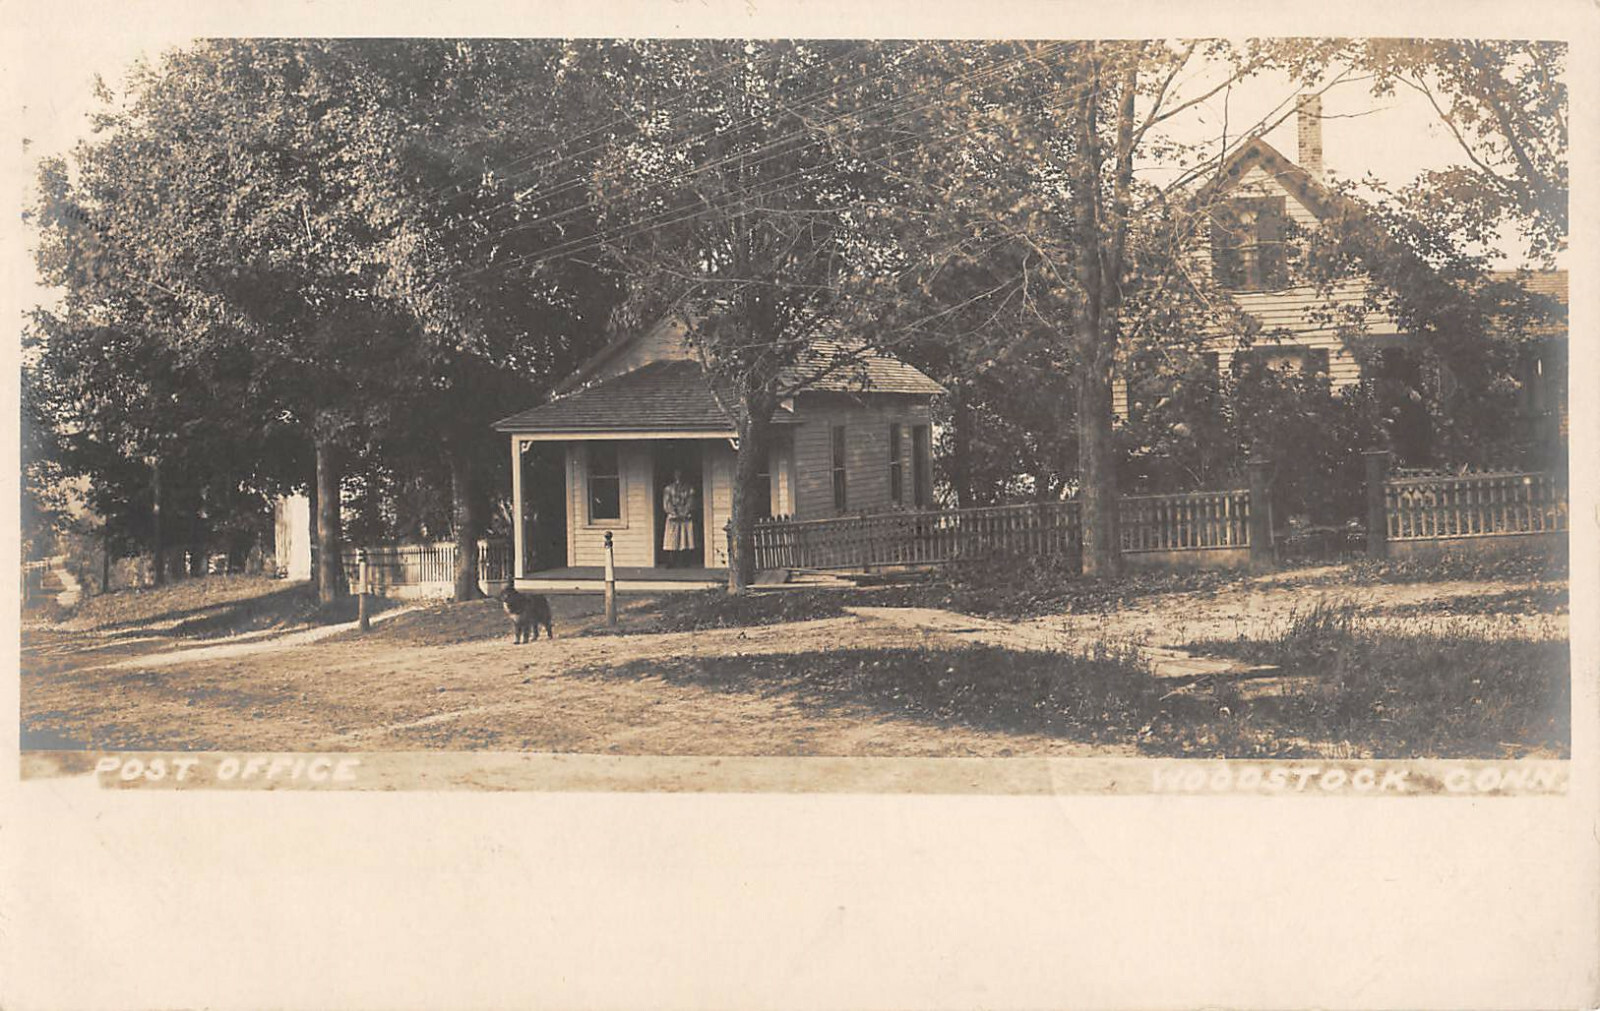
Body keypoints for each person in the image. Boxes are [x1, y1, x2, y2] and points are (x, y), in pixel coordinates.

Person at [661, 470, 697, 566]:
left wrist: (685, 512)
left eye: (680, 475)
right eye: (676, 475)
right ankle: (671, 561)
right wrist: (673, 512)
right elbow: (667, 502)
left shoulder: (689, 489)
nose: (678, 477)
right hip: (674, 516)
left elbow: (691, 501)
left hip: (685, 516)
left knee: (684, 538)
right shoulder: (668, 489)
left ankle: (684, 561)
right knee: (672, 538)